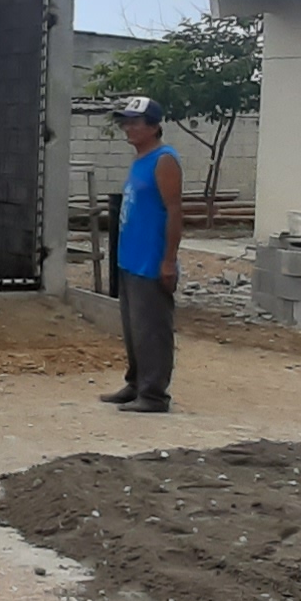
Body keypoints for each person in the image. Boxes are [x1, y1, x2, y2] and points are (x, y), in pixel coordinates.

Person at [100, 96, 184, 414]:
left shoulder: (164, 160)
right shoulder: (141, 159)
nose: (128, 128)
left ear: (153, 126)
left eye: (135, 122)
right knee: (134, 327)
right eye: (126, 122)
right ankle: (136, 383)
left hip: (151, 257)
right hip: (130, 257)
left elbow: (174, 211)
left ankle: (154, 394)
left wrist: (168, 260)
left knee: (152, 329)